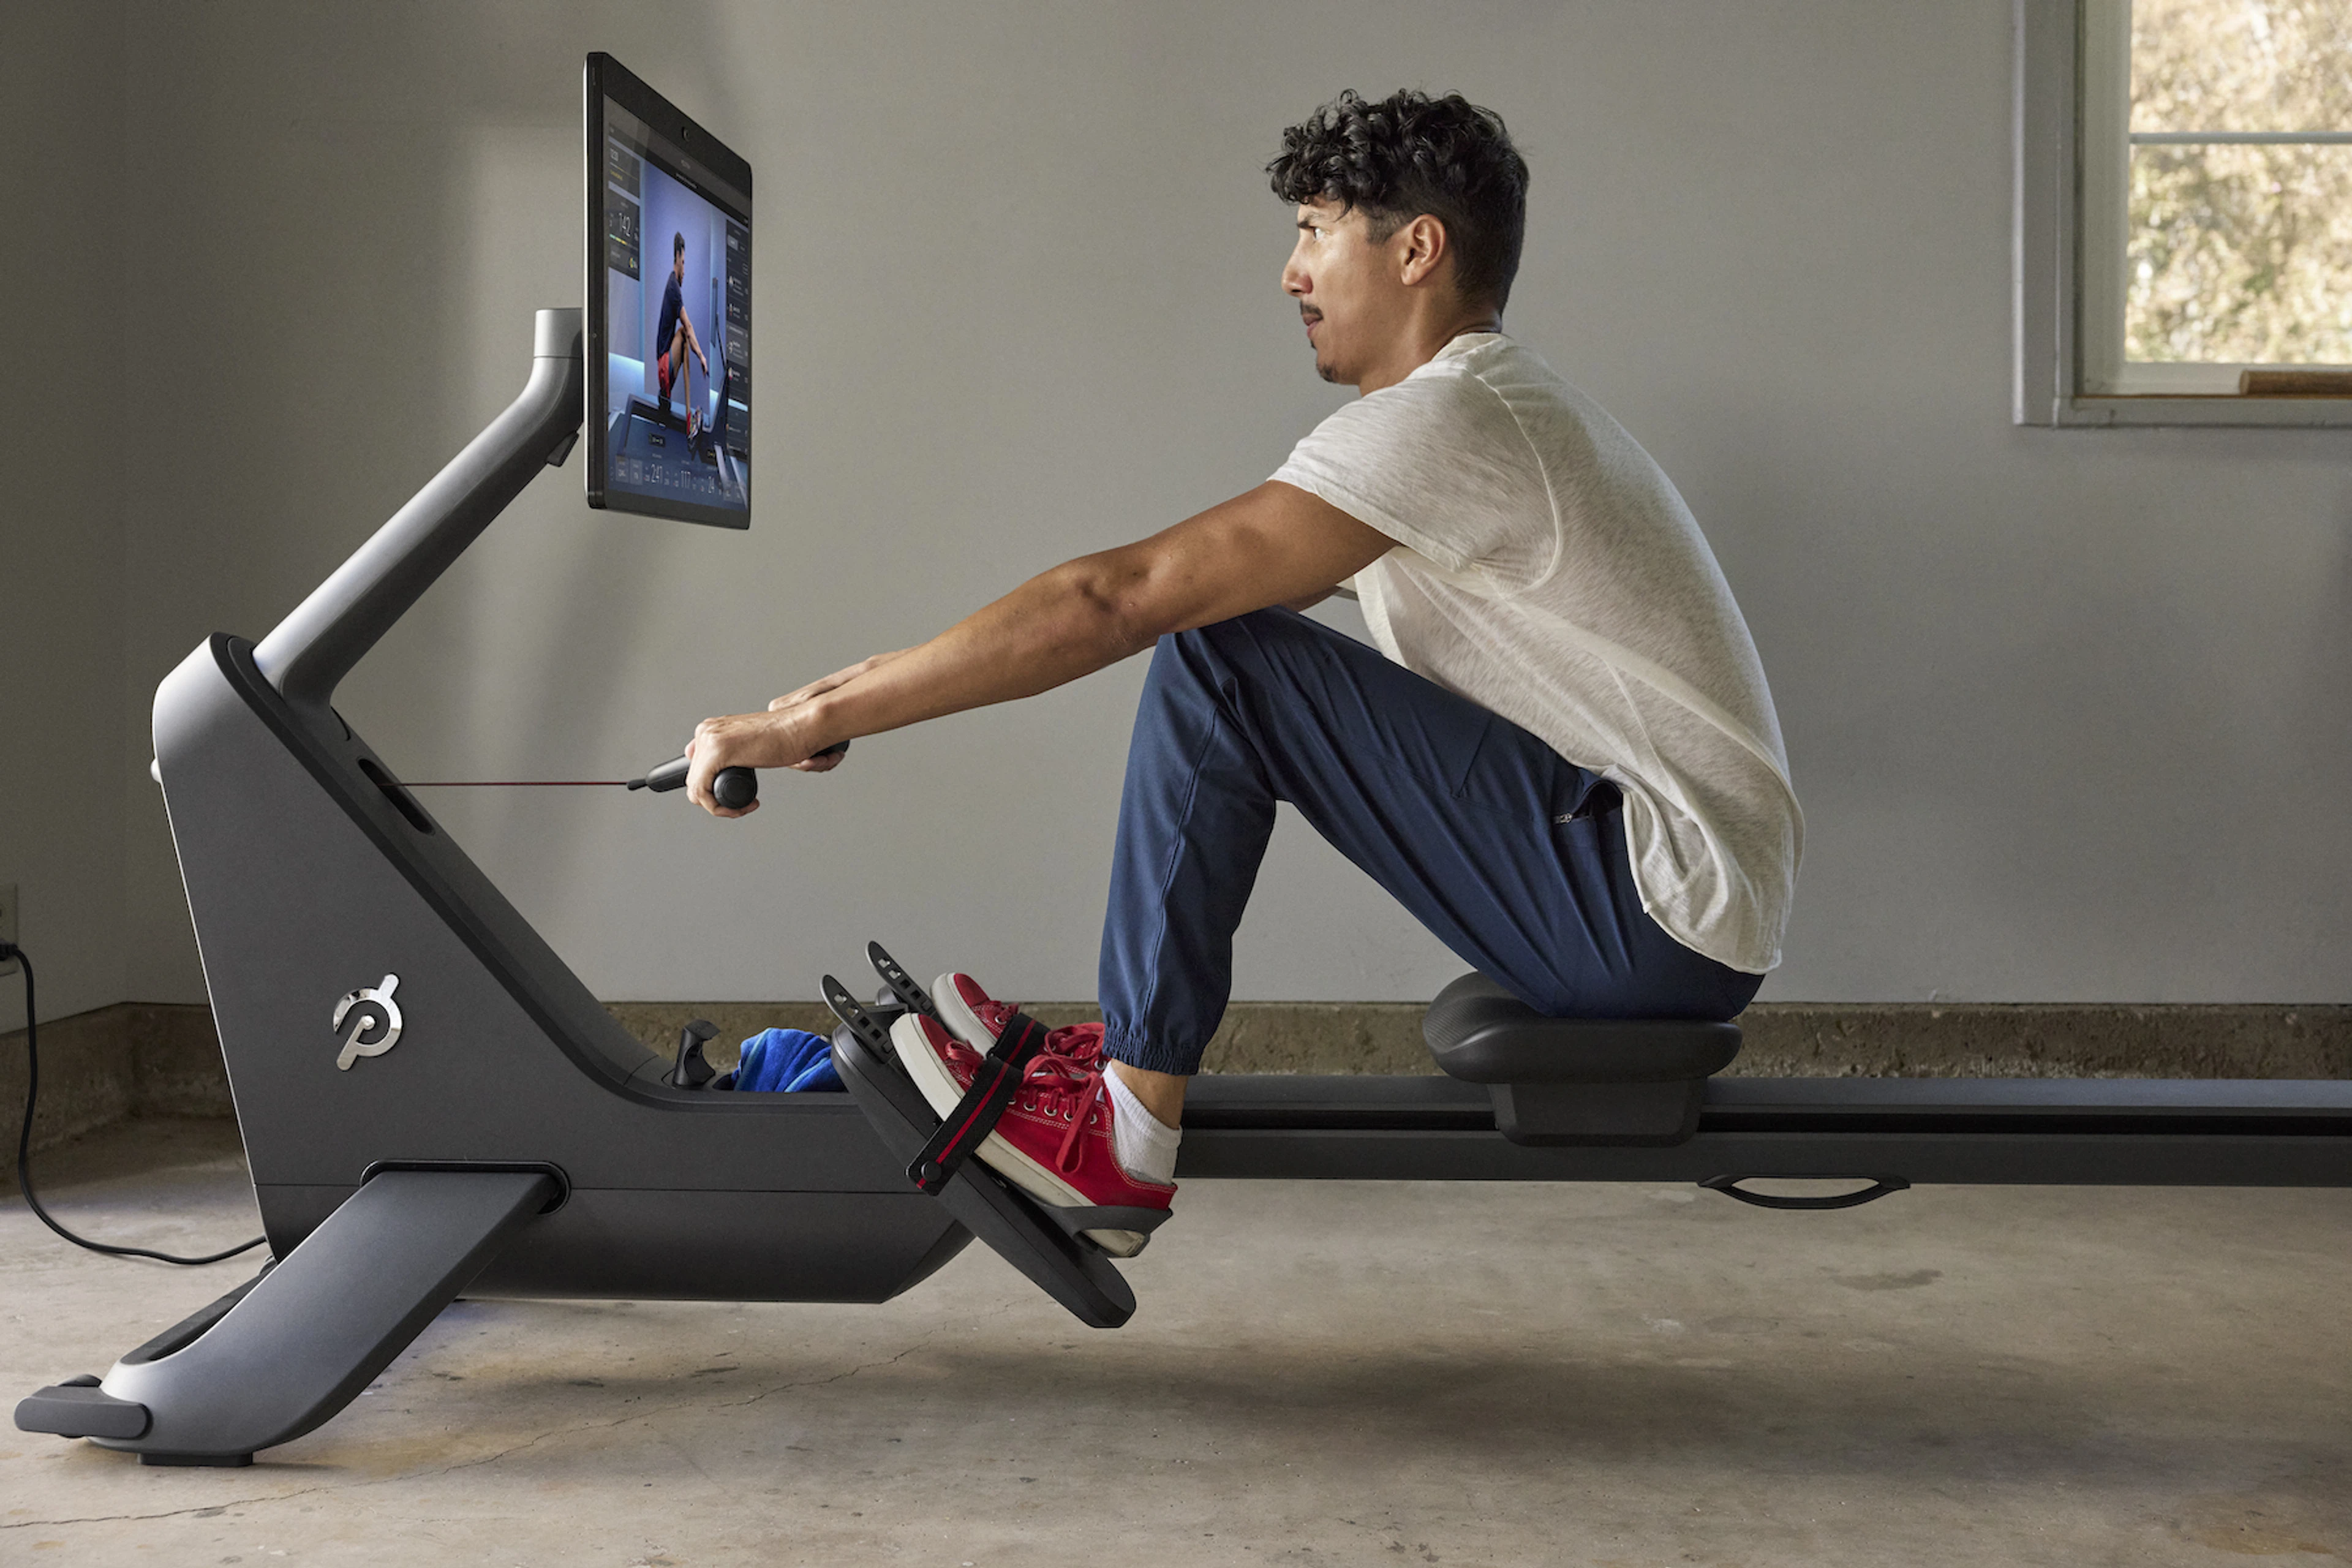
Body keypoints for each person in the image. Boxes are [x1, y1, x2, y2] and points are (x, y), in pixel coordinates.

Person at [683, 89, 1802, 1253]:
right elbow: (1121, 605)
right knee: (1231, 656)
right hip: (1669, 903)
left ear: (1416, 249)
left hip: (1657, 911)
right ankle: (1128, 1072)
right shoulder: (1474, 419)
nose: (1290, 272)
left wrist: (823, 711)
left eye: (1316, 231)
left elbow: (1120, 600)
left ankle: (1125, 1128)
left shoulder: (1449, 421)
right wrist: (825, 704)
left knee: (1223, 662)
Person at [655, 230, 710, 434]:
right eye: (684, 262)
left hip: (664, 363)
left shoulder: (673, 284)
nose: (685, 270)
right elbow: (688, 326)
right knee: (684, 334)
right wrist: (702, 357)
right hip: (663, 365)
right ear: (677, 257)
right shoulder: (674, 288)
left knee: (683, 334)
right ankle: (690, 422)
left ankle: (680, 415)